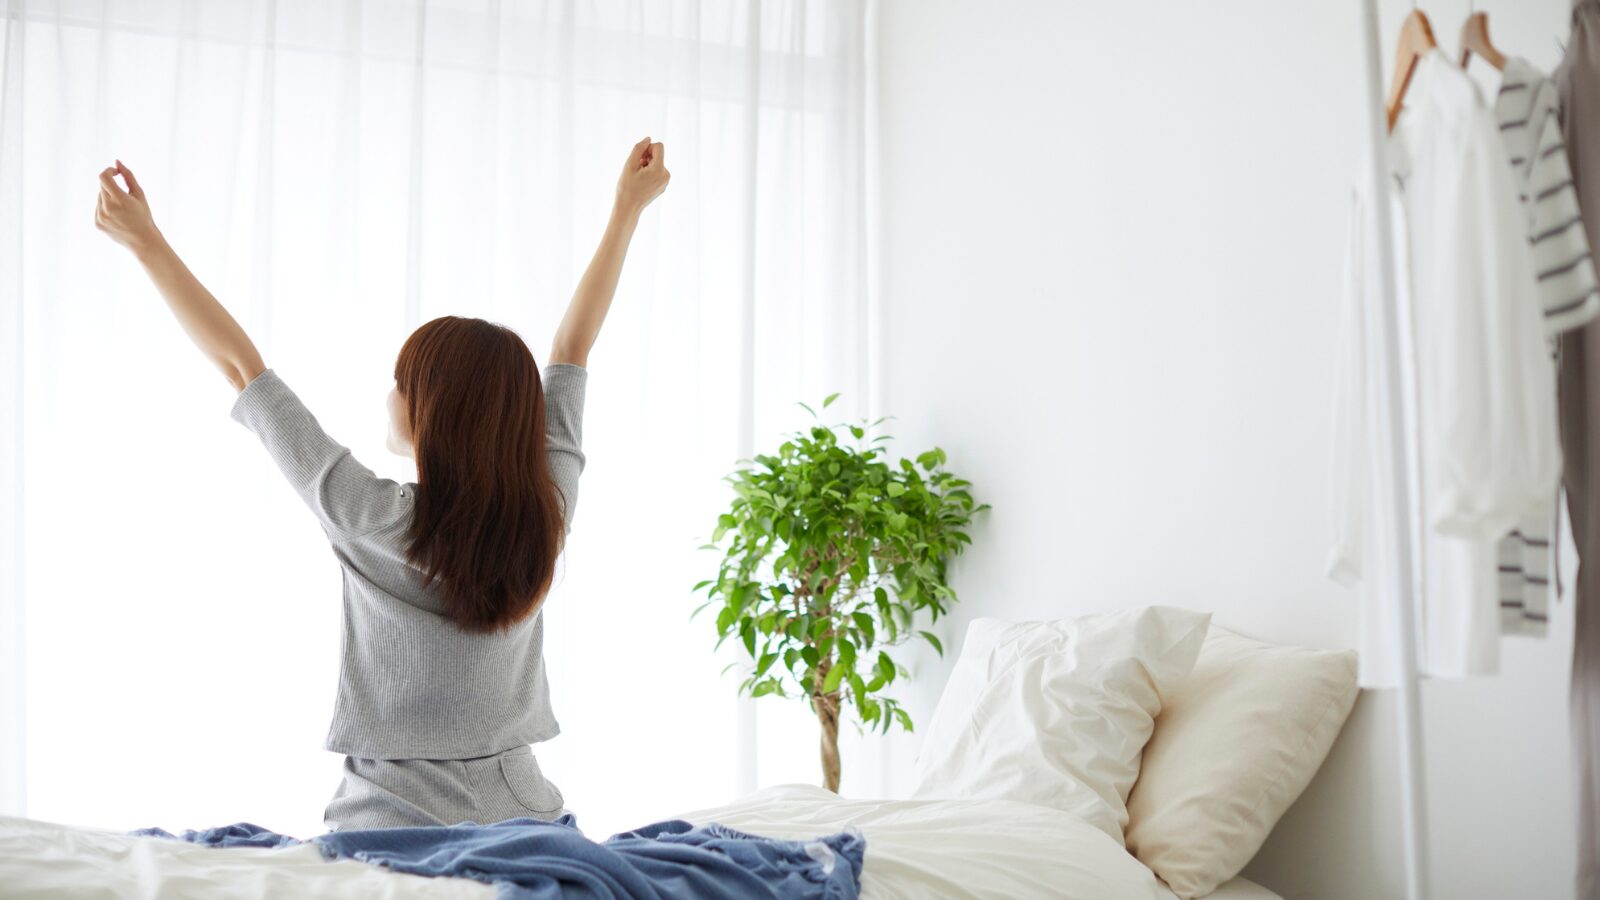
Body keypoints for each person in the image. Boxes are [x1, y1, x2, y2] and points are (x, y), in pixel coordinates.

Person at [93, 138, 670, 830]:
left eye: (403, 382)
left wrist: (147, 243)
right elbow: (573, 348)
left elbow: (242, 367)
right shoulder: (545, 511)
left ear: (432, 413)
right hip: (527, 818)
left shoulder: (367, 515)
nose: (390, 394)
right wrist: (626, 212)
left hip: (391, 825)